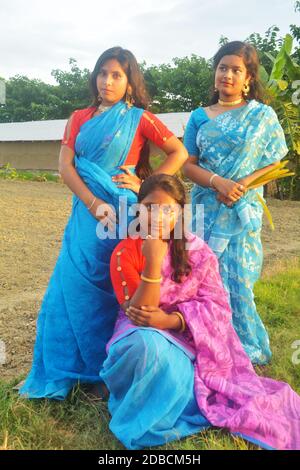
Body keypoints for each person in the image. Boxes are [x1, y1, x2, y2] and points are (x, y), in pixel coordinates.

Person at [19, 47, 188, 400]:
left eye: (116, 75)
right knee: (70, 288)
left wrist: (147, 185)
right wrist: (93, 202)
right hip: (87, 212)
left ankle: (108, 371)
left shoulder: (140, 117)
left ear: (129, 84)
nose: (107, 81)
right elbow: (66, 167)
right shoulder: (78, 117)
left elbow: (179, 153)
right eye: (102, 73)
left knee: (116, 289)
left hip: (123, 214)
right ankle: (68, 368)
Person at [100, 174, 300, 451]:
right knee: (146, 347)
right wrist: (153, 262)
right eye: (149, 207)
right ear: (137, 209)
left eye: (168, 209)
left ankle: (172, 400)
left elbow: (217, 306)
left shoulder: (198, 251)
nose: (158, 216)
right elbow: (140, 313)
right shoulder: (125, 252)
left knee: (164, 358)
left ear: (180, 212)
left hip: (190, 339)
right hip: (138, 329)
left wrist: (172, 320)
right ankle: (152, 401)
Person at [182, 41, 288, 364]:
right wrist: (218, 182)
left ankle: (244, 347)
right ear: (215, 74)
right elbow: (187, 165)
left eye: (236, 70)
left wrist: (242, 184)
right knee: (204, 278)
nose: (227, 75)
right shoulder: (199, 117)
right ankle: (207, 341)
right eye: (222, 68)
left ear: (248, 78)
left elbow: (274, 160)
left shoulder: (262, 117)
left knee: (240, 281)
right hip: (206, 208)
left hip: (241, 211)